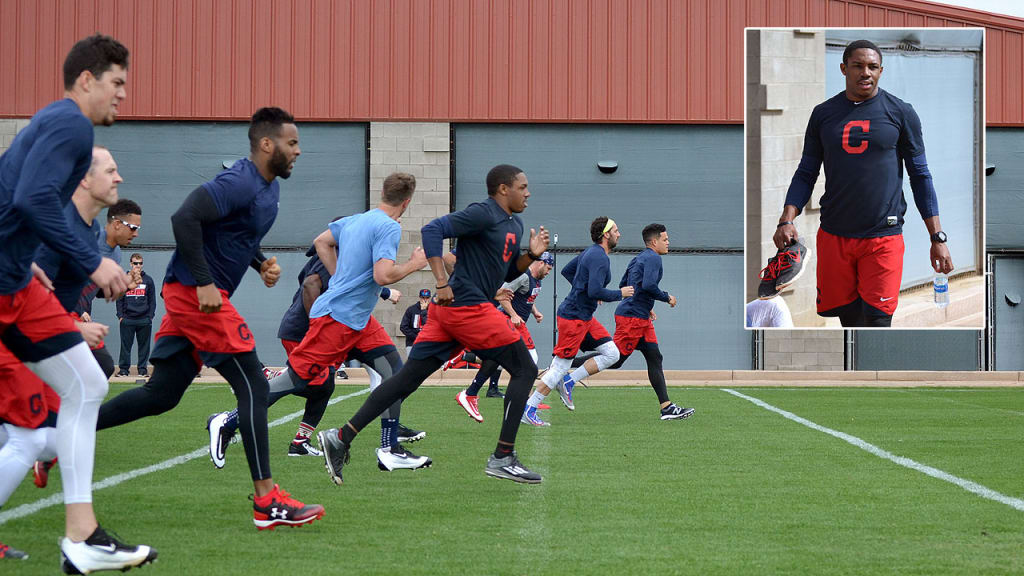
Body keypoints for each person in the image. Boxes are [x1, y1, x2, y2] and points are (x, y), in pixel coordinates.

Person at [95, 107, 324, 530]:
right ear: (267, 144)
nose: (298, 151)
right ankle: (267, 500)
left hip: (194, 296)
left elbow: (231, 233)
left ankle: (58, 437)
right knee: (255, 385)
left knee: (161, 395)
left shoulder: (269, 189)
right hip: (197, 296)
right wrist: (203, 282)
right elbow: (185, 218)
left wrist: (259, 263)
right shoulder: (238, 180)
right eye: (292, 143)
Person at [0, 34, 155, 572]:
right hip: (6, 286)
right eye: (117, 84)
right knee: (45, 417)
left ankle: (82, 536)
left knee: (87, 384)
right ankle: (81, 536)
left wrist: (26, 257)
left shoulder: (55, 123)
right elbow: (31, 198)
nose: (122, 96)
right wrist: (90, 262)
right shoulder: (70, 123)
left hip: (15, 282)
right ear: (86, 80)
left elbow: (20, 195)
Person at [317, 164, 550, 485]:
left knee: (405, 380)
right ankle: (503, 457)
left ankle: (340, 437)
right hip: (467, 306)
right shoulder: (483, 213)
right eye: (522, 187)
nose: (528, 192)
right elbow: (432, 230)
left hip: (450, 314)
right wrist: (442, 282)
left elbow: (507, 272)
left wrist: (529, 256)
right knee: (525, 368)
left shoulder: (516, 224)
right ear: (502, 189)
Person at [225, 172, 430, 474]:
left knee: (395, 374)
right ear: (407, 202)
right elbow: (383, 276)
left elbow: (321, 241)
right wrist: (416, 264)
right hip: (338, 317)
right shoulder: (388, 226)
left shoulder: (358, 219)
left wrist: (339, 277)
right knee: (296, 380)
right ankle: (228, 420)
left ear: (383, 193)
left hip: (357, 318)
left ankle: (389, 449)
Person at [772, 39, 954, 327]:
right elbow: (807, 171)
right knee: (851, 323)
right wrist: (786, 219)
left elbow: (920, 175)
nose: (865, 73)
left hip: (883, 236)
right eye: (857, 66)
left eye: (872, 67)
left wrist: (937, 237)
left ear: (881, 70)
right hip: (835, 235)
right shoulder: (823, 114)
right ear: (844, 68)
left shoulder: (901, 113)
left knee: (879, 322)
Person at [521, 217, 633, 426]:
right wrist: (620, 293)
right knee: (559, 367)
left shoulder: (591, 252)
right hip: (574, 318)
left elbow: (568, 272)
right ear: (606, 234)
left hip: (583, 317)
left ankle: (570, 381)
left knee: (612, 353)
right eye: (616, 230)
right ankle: (529, 409)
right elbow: (593, 290)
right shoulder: (599, 257)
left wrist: (587, 290)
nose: (619, 234)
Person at [607, 223, 694, 420]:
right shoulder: (654, 258)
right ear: (654, 242)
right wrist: (666, 297)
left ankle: (667, 407)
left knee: (655, 357)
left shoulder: (639, 258)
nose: (668, 242)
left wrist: (647, 306)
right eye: (665, 239)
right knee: (614, 359)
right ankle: (564, 367)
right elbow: (648, 285)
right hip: (633, 317)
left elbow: (625, 285)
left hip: (639, 314)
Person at [456, 252, 553, 422]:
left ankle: (471, 391)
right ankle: (525, 405)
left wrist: (535, 311)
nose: (549, 272)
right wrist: (514, 315)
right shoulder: (523, 276)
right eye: (548, 268)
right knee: (530, 359)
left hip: (516, 323)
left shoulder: (536, 280)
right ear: (540, 263)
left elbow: (526, 297)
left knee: (500, 359)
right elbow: (502, 295)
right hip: (509, 321)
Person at [116, 252, 156, 377]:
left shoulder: (148, 280)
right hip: (127, 319)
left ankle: (142, 370)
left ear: (142, 264)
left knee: (144, 346)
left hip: (144, 319)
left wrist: (149, 317)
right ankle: (123, 370)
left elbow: (152, 300)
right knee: (125, 346)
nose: (137, 266)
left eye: (140, 263)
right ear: (130, 264)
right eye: (135, 263)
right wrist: (121, 316)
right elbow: (119, 298)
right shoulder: (124, 279)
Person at [400, 288, 431, 356]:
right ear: (419, 298)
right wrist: (416, 337)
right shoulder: (411, 309)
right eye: (423, 298)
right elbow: (403, 327)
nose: (425, 300)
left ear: (429, 298)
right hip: (412, 343)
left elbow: (431, 326)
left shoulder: (432, 310)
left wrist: (424, 311)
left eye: (427, 298)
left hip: (427, 344)